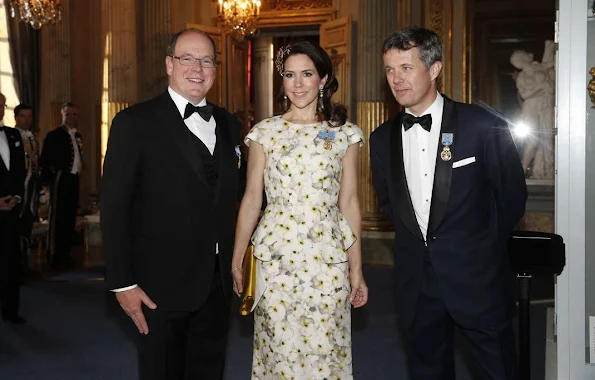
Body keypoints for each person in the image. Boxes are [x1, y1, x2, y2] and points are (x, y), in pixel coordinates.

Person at [370, 27, 527, 380]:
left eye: (406, 68)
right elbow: (390, 205)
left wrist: (480, 248)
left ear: (435, 69)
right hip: (417, 283)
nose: (396, 79)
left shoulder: (482, 125)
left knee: (498, 371)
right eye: (390, 70)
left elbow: (512, 198)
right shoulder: (381, 140)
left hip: (477, 276)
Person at [101, 28, 243, 380]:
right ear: (169, 64)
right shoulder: (134, 123)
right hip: (157, 286)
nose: (198, 68)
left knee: (209, 372)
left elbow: (237, 198)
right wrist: (122, 283)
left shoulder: (229, 124)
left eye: (207, 60)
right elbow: (115, 209)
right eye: (187, 58)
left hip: (217, 283)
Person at [231, 40, 369, 379]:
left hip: (328, 257)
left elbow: (349, 202)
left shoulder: (345, 135)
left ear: (323, 80)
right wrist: (238, 259)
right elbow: (251, 199)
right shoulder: (265, 132)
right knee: (278, 350)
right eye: (289, 75)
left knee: (326, 350)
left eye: (307, 74)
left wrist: (357, 269)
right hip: (275, 259)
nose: (298, 83)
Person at [39, 102, 83, 269]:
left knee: (69, 218)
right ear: (62, 115)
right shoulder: (54, 135)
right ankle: (55, 257)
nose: (72, 118)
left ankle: (66, 255)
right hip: (59, 180)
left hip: (73, 180)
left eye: (74, 114)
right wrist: (47, 184)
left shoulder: (78, 135)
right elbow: (46, 160)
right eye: (68, 114)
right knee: (58, 219)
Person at [510, 40, 555, 179]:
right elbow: (525, 94)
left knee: (545, 138)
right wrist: (541, 88)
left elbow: (552, 62)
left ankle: (542, 171)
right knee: (533, 140)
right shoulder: (522, 77)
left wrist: (551, 46)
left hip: (543, 106)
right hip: (530, 108)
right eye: (521, 57)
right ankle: (522, 168)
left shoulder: (540, 67)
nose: (526, 56)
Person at [0, 93, 27, 324]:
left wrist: (17, 197)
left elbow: (20, 171)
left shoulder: (12, 134)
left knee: (10, 261)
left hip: (10, 210)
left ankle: (10, 310)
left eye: (1, 105)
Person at [14, 104, 41, 276]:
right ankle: (16, 266)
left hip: (31, 188)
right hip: (18, 188)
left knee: (27, 226)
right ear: (16, 117)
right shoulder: (12, 136)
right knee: (16, 228)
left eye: (30, 116)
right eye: (23, 116)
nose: (27, 120)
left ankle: (25, 264)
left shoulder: (33, 137)